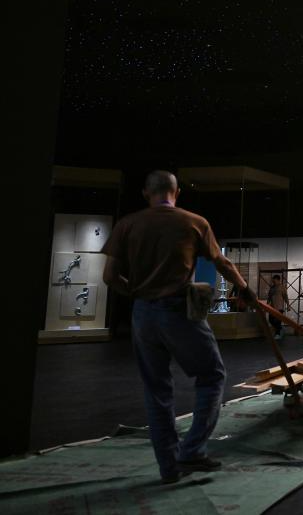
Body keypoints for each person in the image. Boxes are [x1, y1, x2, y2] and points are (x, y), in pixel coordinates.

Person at [101, 170, 254, 484]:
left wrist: (138, 293)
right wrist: (244, 289)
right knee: (212, 375)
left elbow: (109, 276)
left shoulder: (127, 224)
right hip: (178, 309)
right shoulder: (193, 222)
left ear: (146, 193)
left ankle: (169, 468)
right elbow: (222, 262)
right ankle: (192, 450)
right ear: (177, 192)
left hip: (142, 314)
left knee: (157, 390)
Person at [267, 274, 286, 339]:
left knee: (278, 321)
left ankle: (278, 334)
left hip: (279, 308)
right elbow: (269, 297)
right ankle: (281, 328)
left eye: (274, 280)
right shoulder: (272, 288)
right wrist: (267, 305)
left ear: (278, 280)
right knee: (271, 320)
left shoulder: (282, 287)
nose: (273, 282)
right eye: (273, 280)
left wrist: (288, 305)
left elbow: (285, 296)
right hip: (272, 307)